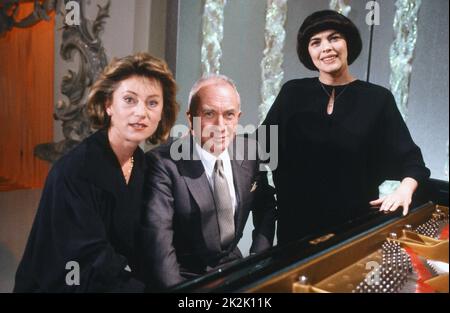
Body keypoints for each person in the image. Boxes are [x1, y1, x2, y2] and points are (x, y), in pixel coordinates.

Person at [260, 10, 430, 245]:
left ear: (347, 42)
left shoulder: (378, 99)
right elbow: (260, 145)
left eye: (334, 38)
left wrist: (404, 190)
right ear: (308, 53)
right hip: (294, 232)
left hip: (353, 231)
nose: (326, 48)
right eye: (315, 42)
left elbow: (414, 163)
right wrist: (206, 139)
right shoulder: (292, 93)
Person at [14, 53, 179, 292]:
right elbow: (87, 260)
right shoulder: (75, 170)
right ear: (108, 105)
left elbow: (146, 244)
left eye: (152, 103)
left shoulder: (144, 166)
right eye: (130, 100)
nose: (142, 112)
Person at [141, 74, 276, 289]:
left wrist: (258, 259)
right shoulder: (162, 164)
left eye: (229, 115)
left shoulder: (249, 153)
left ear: (238, 117)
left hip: (234, 270)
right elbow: (158, 243)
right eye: (209, 114)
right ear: (191, 118)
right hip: (184, 277)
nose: (219, 126)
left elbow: (267, 205)